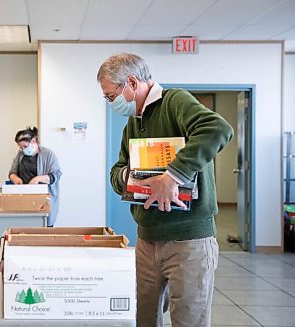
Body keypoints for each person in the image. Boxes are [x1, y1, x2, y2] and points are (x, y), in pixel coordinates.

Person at [97, 53, 233, 326]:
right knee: (145, 319)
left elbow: (218, 129)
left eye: (111, 96)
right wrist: (128, 177)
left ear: (132, 83)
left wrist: (173, 176)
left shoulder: (174, 101)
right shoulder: (133, 122)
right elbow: (116, 171)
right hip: (147, 241)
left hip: (188, 241)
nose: (111, 103)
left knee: (188, 320)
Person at [9, 127, 62, 227]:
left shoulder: (48, 154)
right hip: (25, 199)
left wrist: (38, 179)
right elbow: (12, 172)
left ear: (33, 141)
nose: (23, 150)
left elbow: (56, 175)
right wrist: (15, 178)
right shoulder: (20, 155)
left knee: (43, 227)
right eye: (21, 148)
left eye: (25, 146)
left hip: (42, 201)